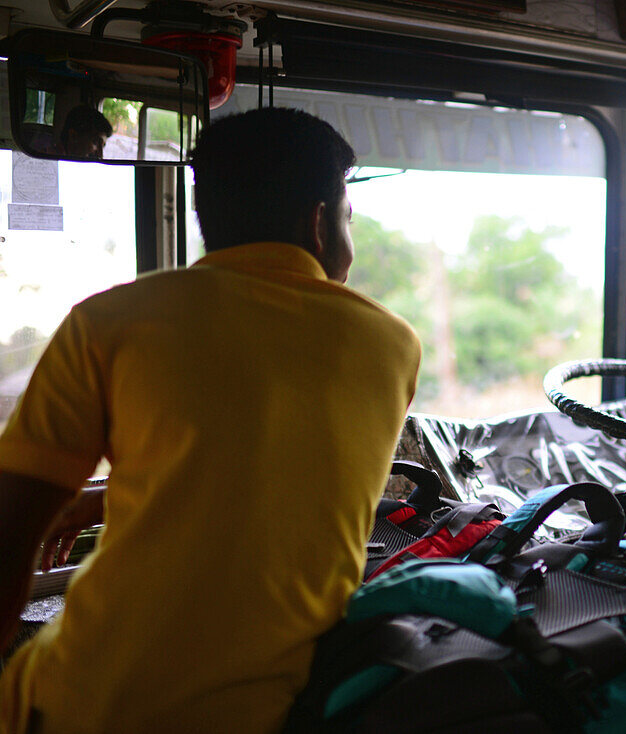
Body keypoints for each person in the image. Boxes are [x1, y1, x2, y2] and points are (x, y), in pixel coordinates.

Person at [0, 108, 421, 733]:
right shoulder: (392, 345)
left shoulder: (109, 322)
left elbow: (8, 534)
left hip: (88, 701)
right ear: (319, 223)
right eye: (349, 215)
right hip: (271, 712)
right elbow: (275, 478)